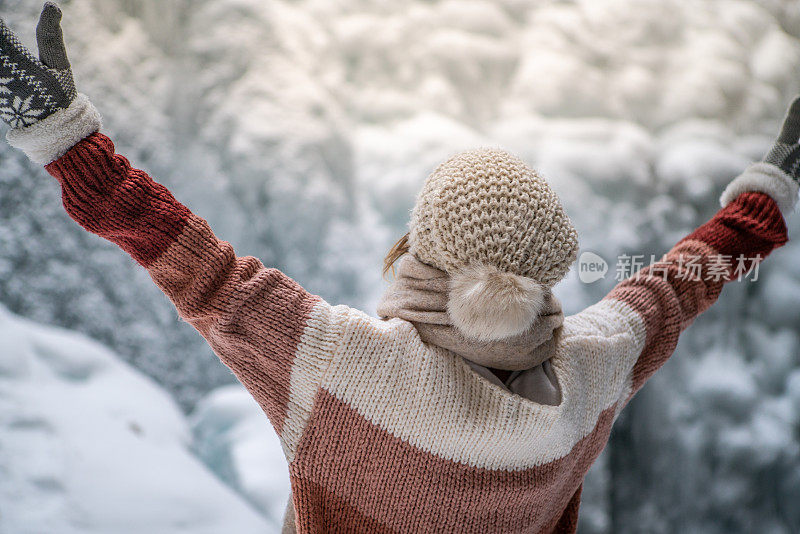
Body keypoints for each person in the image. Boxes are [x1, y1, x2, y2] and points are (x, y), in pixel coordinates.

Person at [1, 4, 798, 533]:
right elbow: (676, 285)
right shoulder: (593, 372)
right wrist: (765, 199)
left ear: (418, 255)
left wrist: (66, 141)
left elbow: (198, 267)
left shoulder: (345, 365)